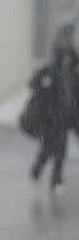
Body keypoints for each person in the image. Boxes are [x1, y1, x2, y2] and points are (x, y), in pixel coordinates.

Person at [29, 44, 79, 192]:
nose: (67, 61)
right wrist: (44, 86)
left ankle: (55, 179)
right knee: (49, 146)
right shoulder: (50, 71)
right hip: (50, 117)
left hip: (66, 117)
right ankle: (38, 170)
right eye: (65, 58)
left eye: (69, 58)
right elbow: (33, 83)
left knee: (61, 149)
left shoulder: (74, 76)